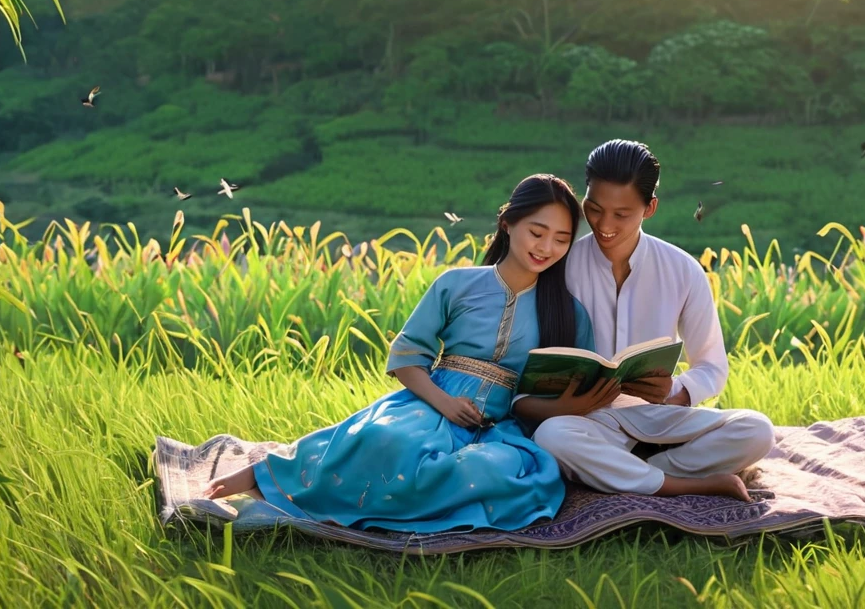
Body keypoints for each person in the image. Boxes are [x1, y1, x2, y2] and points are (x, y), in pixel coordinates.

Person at [204, 174, 595, 532]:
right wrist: (444, 403)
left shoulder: (568, 312)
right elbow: (408, 356)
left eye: (561, 239)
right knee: (384, 440)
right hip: (429, 404)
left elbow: (571, 378)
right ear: (508, 224)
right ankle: (268, 484)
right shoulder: (456, 284)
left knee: (495, 469)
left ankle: (322, 508)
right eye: (537, 232)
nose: (547, 248)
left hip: (501, 427)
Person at [513, 140, 775, 501]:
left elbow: (712, 367)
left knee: (757, 430)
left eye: (621, 214)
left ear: (649, 208)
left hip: (659, 415)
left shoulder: (682, 270)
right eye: (594, 208)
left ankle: (623, 470)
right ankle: (679, 479)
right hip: (587, 418)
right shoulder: (559, 264)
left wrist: (675, 392)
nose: (605, 225)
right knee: (551, 437)